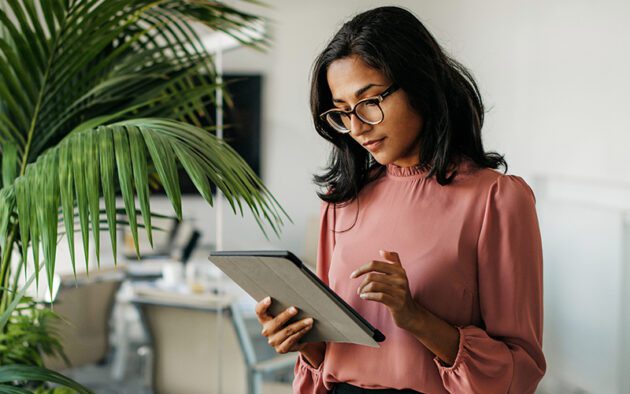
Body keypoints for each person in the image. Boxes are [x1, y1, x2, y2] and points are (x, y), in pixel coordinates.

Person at [254, 6, 546, 394]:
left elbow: (519, 371)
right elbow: (330, 358)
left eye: (370, 101)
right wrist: (303, 341)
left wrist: (414, 316)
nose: (356, 128)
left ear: (420, 85)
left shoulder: (497, 199)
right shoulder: (341, 201)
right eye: (342, 113)